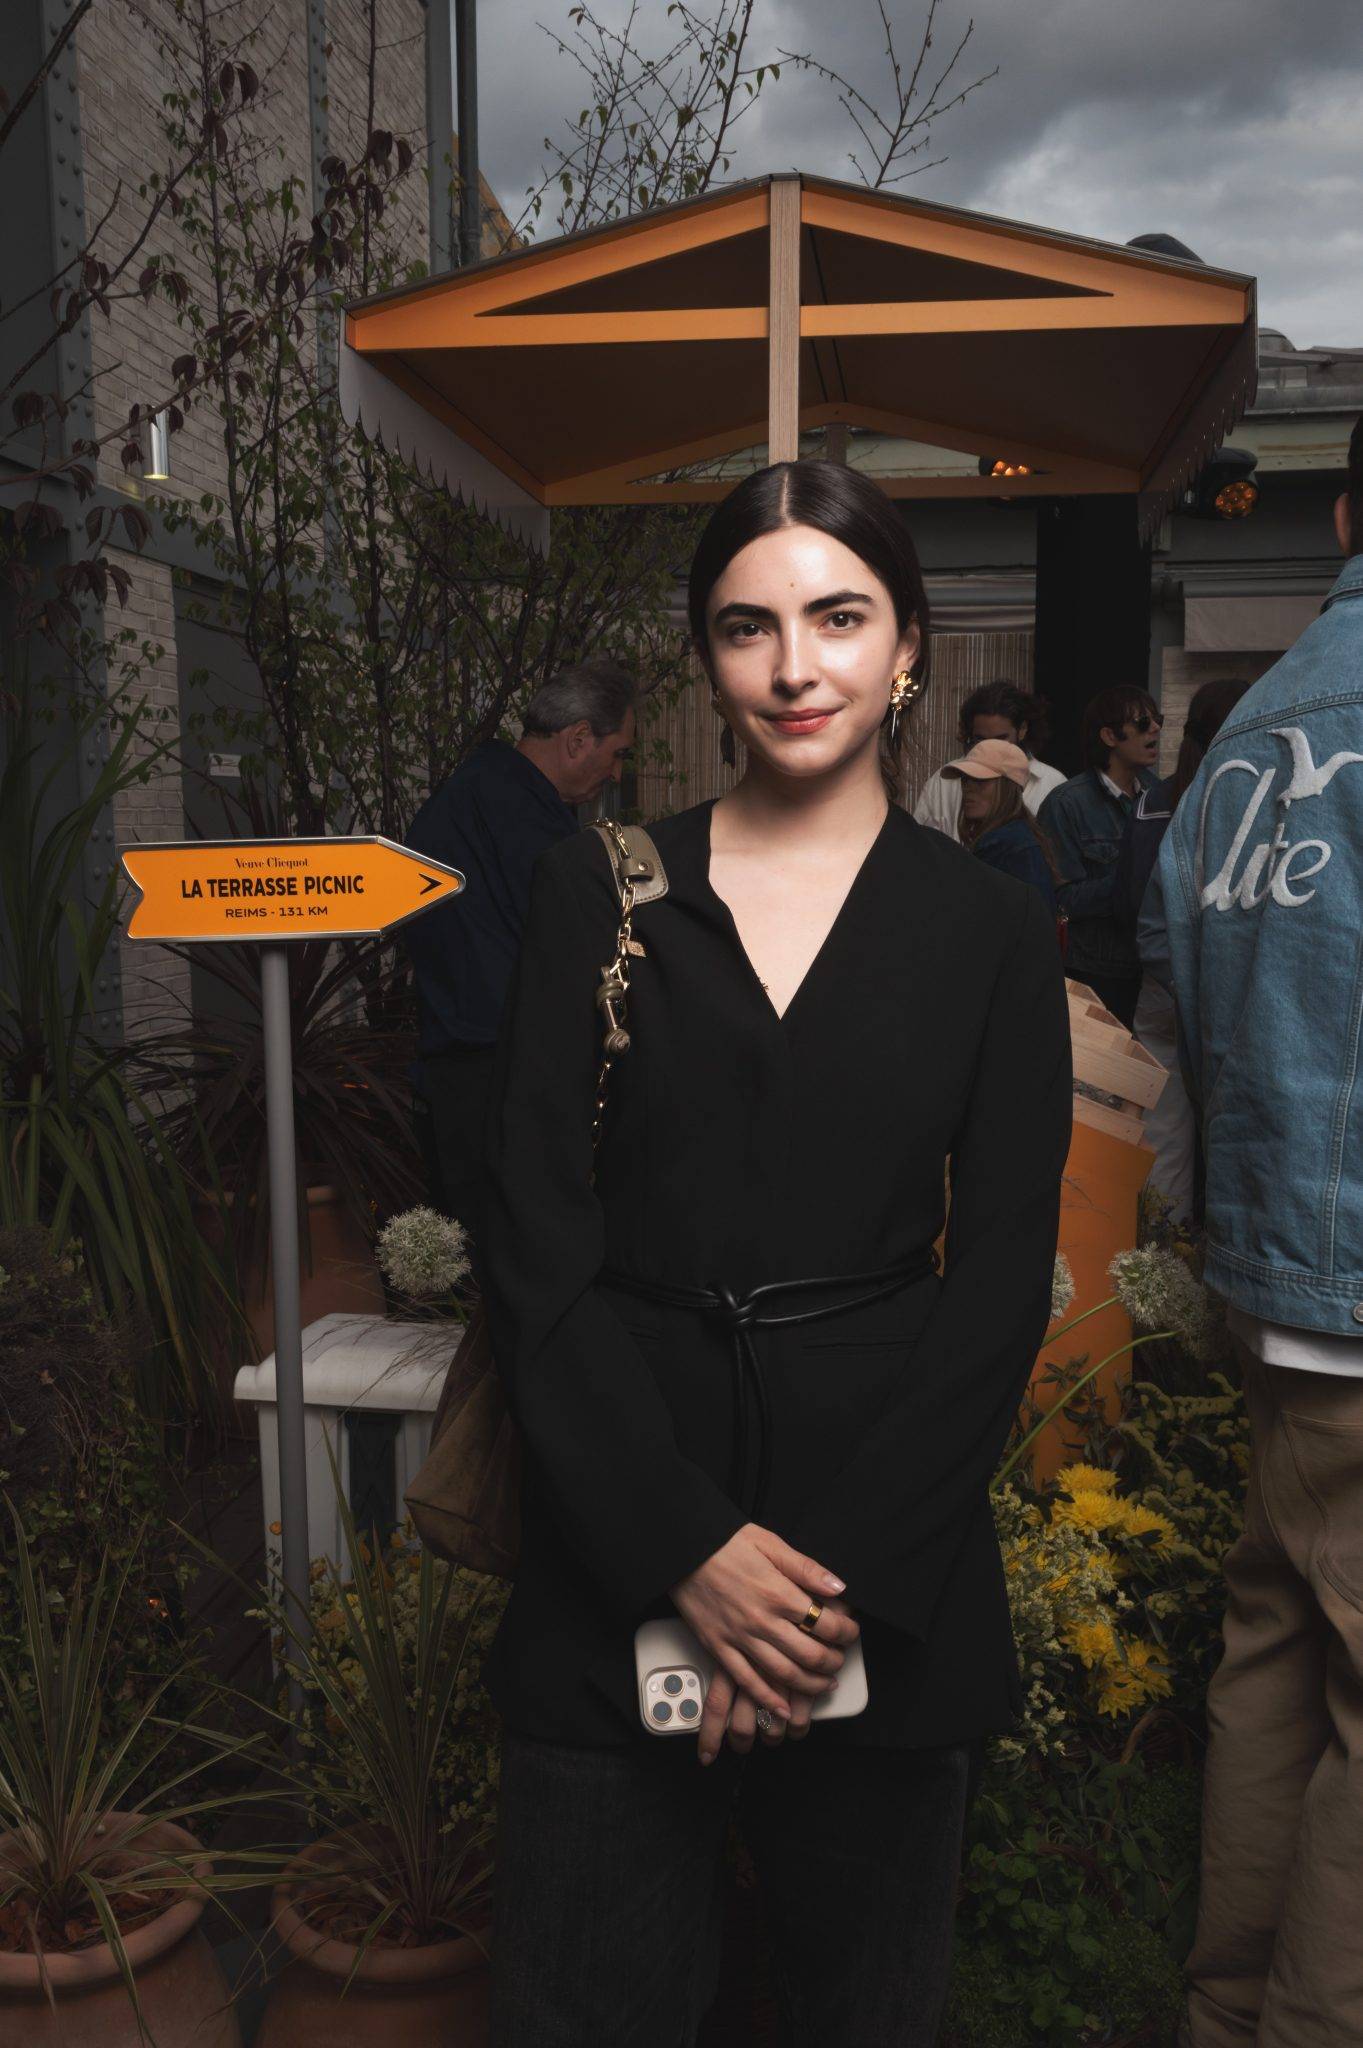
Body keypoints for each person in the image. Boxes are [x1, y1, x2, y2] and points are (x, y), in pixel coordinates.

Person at [481, 460, 1071, 2046]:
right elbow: (531, 1245)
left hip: (878, 1546)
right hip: (621, 1513)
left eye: (838, 618)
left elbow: (999, 1274)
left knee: (858, 2012)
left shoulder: (985, 928)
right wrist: (684, 1549)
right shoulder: (599, 893)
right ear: (703, 655)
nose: (794, 666)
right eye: (748, 627)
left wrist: (814, 1599)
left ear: (907, 648)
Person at [1158, 415, 1363, 2048]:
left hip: (1266, 1273)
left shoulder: (1248, 722)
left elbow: (1172, 1010)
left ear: (1345, 514)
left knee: (1271, 1648)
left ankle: (1221, 2006)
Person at [402, 660, 636, 1245]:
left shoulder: (476, 789)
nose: (616, 772)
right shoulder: (524, 816)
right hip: (497, 1077)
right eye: (617, 753)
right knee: (519, 1253)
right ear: (578, 739)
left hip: (458, 1068)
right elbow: (572, 947)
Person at [1119, 678, 1249, 1223]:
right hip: (1232, 985)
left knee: (1164, 1130)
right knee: (1239, 1125)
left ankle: (1160, 1252)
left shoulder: (1155, 801)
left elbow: (1133, 899)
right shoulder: (1250, 801)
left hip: (1162, 980)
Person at [1038, 684, 1163, 1025]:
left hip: (1153, 969)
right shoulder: (1067, 804)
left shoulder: (1159, 796)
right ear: (1109, 736)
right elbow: (1060, 900)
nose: (1155, 729)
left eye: (1157, 720)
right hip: (1095, 973)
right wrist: (1131, 880)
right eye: (1142, 722)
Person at [913, 677, 1065, 838]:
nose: (990, 747)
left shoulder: (1053, 786)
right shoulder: (942, 782)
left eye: (1000, 739)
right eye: (981, 739)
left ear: (1022, 730)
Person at [943, 737, 1059, 911]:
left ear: (1007, 788)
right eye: (965, 779)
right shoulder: (1014, 838)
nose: (968, 788)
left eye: (980, 781)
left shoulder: (1010, 846)